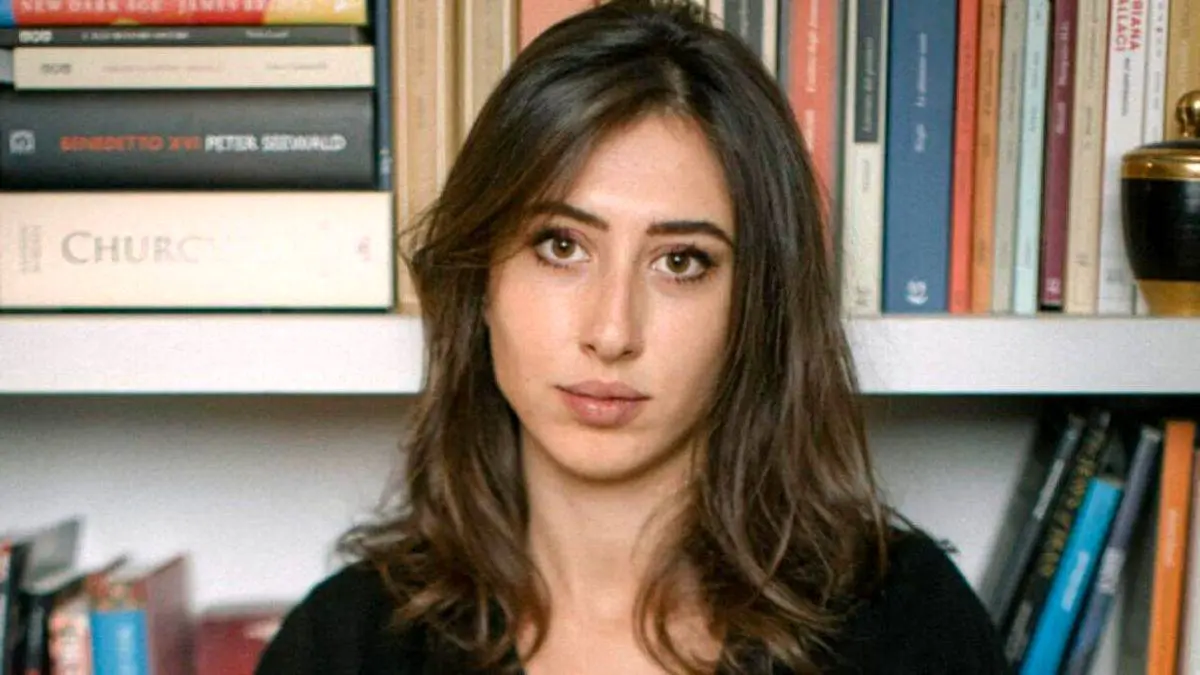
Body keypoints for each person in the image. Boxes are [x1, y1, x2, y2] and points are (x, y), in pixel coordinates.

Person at [255, 1, 1009, 673]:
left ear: (756, 309)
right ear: (480, 279)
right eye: (560, 246)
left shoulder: (906, 629)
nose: (611, 331)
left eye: (681, 261)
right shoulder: (347, 643)